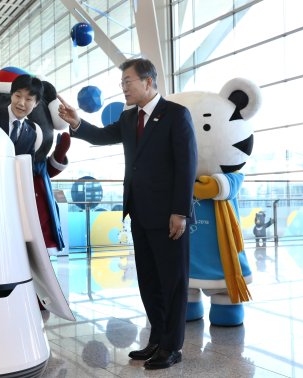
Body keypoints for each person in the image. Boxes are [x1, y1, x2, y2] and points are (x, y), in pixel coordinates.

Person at [58, 58, 198, 370]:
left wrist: (179, 211)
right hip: (139, 212)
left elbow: (186, 165)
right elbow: (99, 137)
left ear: (149, 82)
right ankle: (157, 339)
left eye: (129, 81)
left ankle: (172, 348)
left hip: (168, 216)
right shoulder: (129, 117)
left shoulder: (175, 115)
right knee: (149, 281)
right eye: (122, 83)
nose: (124, 88)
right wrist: (76, 122)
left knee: (172, 282)